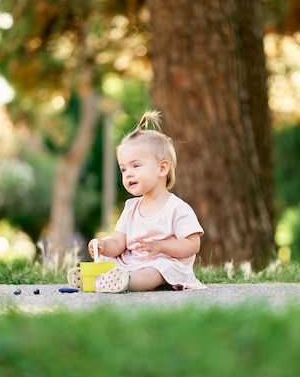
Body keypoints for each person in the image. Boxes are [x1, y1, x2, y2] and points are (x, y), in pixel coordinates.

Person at [67, 110, 205, 293]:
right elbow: (119, 243)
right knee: (112, 260)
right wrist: (103, 245)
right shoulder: (130, 208)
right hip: (133, 262)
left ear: (162, 168)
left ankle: (122, 282)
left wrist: (160, 246)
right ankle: (95, 279)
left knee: (157, 269)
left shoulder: (177, 208)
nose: (128, 173)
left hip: (163, 263)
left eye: (136, 165)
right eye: (123, 169)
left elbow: (192, 244)